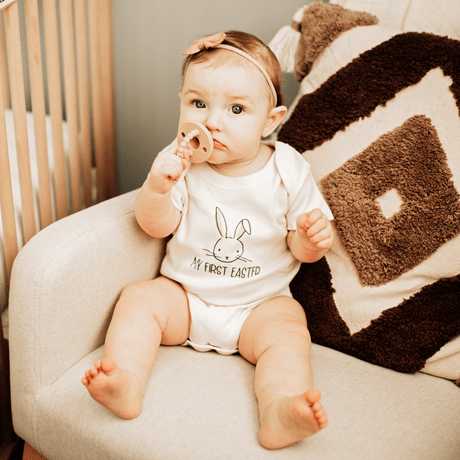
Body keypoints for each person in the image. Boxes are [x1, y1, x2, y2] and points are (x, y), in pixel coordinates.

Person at [82, 30, 333, 450]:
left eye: (236, 109)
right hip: (184, 297)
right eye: (198, 104)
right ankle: (126, 380)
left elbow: (300, 250)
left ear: (270, 120)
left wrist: (312, 239)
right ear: (181, 101)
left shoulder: (288, 167)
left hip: (258, 307)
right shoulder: (180, 160)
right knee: (138, 298)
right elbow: (156, 226)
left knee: (290, 331)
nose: (212, 122)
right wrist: (157, 190)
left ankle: (279, 409)